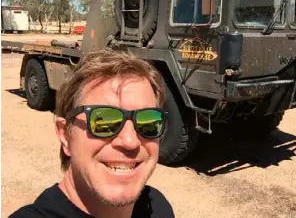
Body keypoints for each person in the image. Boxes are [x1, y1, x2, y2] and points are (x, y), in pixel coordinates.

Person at [9, 49, 174, 218]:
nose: (130, 141)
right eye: (104, 121)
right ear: (65, 135)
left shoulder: (158, 208)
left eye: (148, 122)